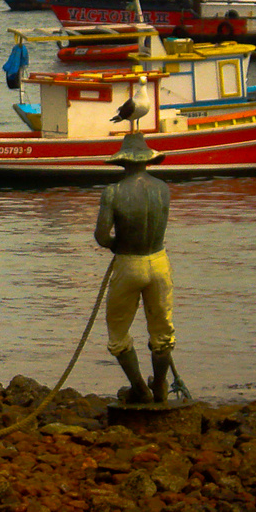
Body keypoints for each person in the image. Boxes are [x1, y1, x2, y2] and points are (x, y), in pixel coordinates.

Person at [94, 132, 175, 404]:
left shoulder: (113, 192)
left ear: (124, 163)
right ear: (147, 161)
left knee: (118, 331)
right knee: (162, 330)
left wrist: (117, 244)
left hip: (129, 263)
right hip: (159, 261)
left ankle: (140, 388)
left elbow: (102, 236)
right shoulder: (163, 189)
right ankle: (161, 387)